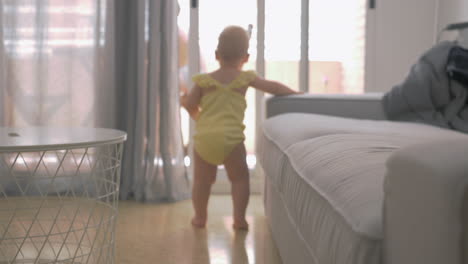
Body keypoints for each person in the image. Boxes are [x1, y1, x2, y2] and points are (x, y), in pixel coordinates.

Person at [180, 25, 300, 230]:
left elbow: (190, 104)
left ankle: (200, 217)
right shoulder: (244, 79)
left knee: (202, 181)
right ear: (245, 58)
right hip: (232, 140)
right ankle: (239, 219)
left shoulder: (203, 81)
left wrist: (196, 114)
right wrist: (296, 94)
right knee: (240, 179)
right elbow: (273, 87)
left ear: (217, 55)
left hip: (205, 140)